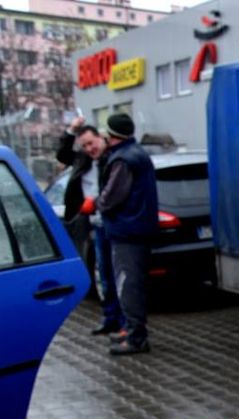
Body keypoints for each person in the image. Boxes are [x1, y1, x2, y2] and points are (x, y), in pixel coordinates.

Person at [82, 113, 158, 356]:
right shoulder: (136, 153)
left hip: (127, 231)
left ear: (112, 134)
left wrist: (94, 204)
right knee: (132, 283)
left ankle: (136, 338)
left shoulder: (123, 160)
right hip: (137, 229)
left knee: (128, 285)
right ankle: (133, 330)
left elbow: (112, 195)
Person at [56, 118, 122, 335]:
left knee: (117, 274)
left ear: (101, 138)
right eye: (84, 145)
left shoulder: (113, 159)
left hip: (112, 223)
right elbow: (61, 155)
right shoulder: (82, 161)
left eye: (91, 142)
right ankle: (110, 317)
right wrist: (71, 130)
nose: (89, 148)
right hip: (94, 225)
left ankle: (122, 320)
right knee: (103, 275)